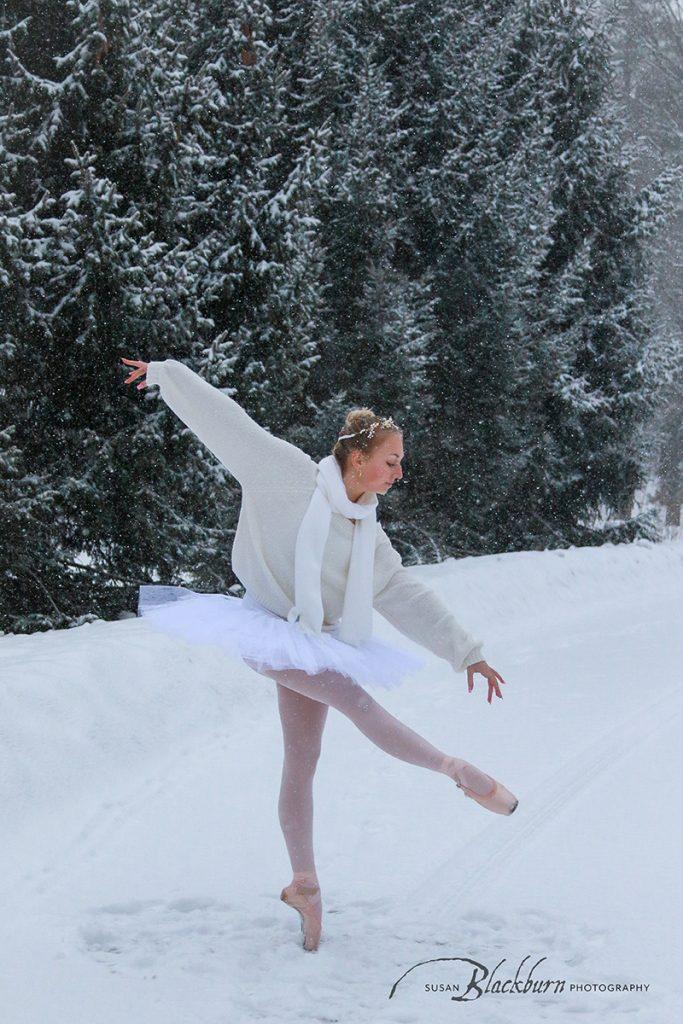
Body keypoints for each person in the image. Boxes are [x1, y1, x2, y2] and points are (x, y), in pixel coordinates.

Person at [121, 356, 518, 952]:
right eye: (391, 460)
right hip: (266, 630)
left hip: (311, 637)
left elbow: (407, 596)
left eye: (400, 462)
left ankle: (304, 884)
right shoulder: (286, 476)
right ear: (357, 458)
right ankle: (455, 770)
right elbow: (228, 424)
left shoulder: (367, 533)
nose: (399, 472)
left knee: (302, 758)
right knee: (355, 700)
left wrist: (468, 653)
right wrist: (166, 376)